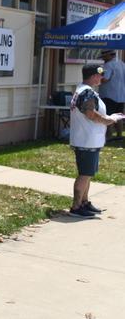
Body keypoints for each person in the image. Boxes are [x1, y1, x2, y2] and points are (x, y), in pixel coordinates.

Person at [69, 65, 123, 218]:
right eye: (99, 75)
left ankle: (84, 202)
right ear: (93, 76)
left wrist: (110, 116)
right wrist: (109, 120)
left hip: (88, 139)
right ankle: (76, 207)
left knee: (88, 173)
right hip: (87, 140)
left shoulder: (83, 90)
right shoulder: (86, 92)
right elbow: (90, 113)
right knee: (85, 174)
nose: (101, 78)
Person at [97, 49, 125, 141]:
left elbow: (105, 79)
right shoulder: (122, 63)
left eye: (104, 57)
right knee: (119, 115)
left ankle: (109, 135)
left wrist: (98, 75)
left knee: (108, 115)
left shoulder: (108, 65)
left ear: (109, 56)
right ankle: (119, 135)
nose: (103, 59)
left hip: (109, 94)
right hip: (121, 94)